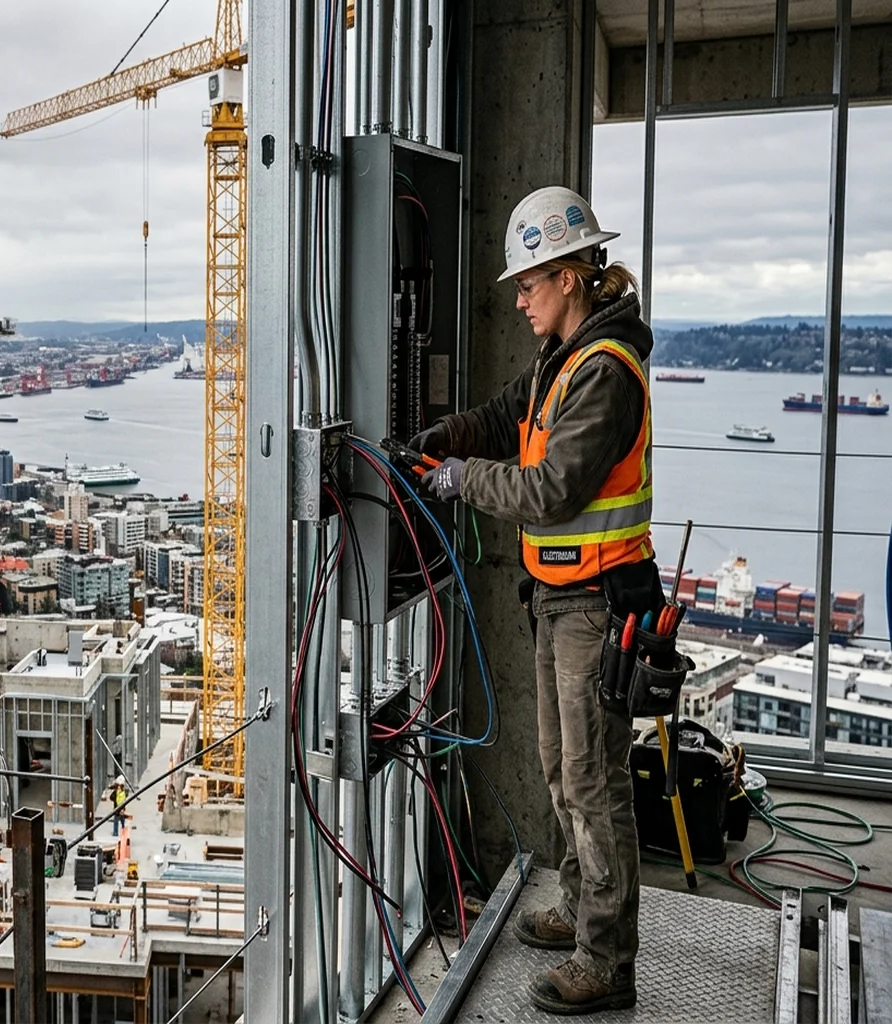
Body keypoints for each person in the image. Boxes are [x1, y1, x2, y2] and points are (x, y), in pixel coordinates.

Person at [413, 185, 654, 1015]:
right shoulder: (562, 360)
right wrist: (445, 437)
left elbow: (551, 488)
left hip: (597, 602)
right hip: (559, 602)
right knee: (562, 772)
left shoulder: (605, 373)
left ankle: (607, 961)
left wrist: (456, 480)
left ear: (571, 278)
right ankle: (584, 913)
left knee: (593, 782)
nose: (519, 300)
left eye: (529, 284)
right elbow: (507, 413)